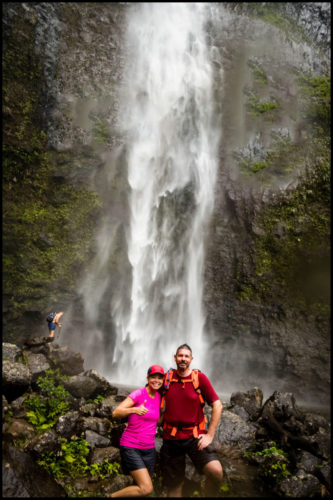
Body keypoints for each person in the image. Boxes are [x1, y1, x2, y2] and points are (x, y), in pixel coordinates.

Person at [160, 343, 223, 497]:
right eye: (180, 356)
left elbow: (217, 405)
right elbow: (151, 399)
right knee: (175, 486)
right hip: (171, 438)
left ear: (191, 359)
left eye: (186, 356)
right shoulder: (166, 379)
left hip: (195, 436)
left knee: (216, 471)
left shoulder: (199, 378)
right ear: (175, 358)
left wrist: (209, 435)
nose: (183, 359)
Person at [109, 365, 165, 497]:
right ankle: (110, 496)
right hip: (131, 446)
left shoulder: (159, 397)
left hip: (149, 449)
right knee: (146, 488)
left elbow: (156, 422)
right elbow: (116, 413)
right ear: (147, 378)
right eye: (153, 377)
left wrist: (166, 412)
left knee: (141, 488)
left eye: (159, 378)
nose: (156, 380)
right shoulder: (139, 394)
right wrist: (134, 410)